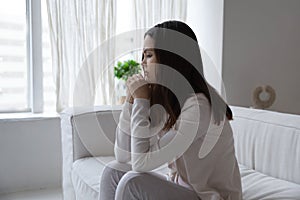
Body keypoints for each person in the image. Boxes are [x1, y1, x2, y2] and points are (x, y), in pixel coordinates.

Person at [99, 20, 242, 200]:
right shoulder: (169, 100)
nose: (142, 63)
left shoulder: (198, 107)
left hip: (209, 197)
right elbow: (122, 155)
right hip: (183, 190)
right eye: (142, 56)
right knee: (113, 171)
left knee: (131, 182)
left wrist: (142, 100)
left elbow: (140, 164)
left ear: (171, 59)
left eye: (149, 55)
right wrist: (131, 101)